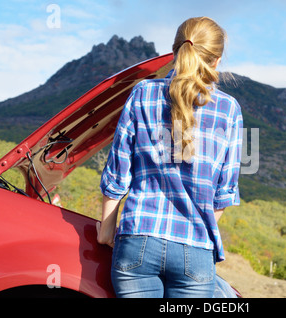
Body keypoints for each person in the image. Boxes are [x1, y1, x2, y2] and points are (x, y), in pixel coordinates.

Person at [96, 16, 243, 298]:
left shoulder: (142, 94)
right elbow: (224, 193)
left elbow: (117, 174)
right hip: (195, 250)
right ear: (217, 60)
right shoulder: (228, 109)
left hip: (137, 242)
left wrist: (106, 228)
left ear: (175, 51)